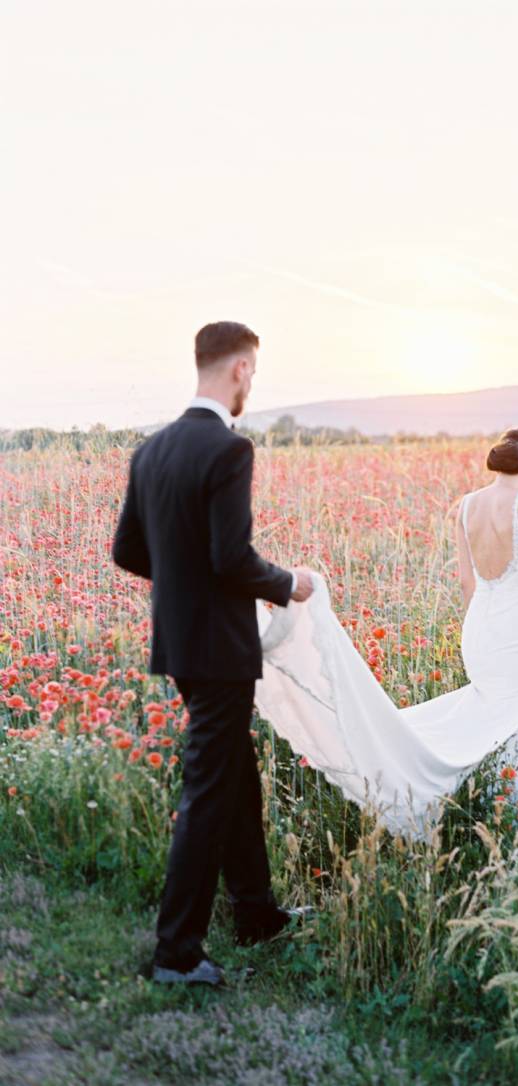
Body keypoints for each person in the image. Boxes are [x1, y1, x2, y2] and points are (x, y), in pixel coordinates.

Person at [112, 320, 314, 987]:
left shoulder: (153, 450)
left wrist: (185, 587)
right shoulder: (230, 451)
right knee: (207, 789)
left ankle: (255, 911)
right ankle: (176, 953)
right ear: (239, 369)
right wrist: (291, 585)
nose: (251, 382)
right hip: (221, 648)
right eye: (253, 370)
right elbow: (232, 558)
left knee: (236, 774)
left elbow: (127, 552)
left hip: (179, 643)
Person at [252, 426, 518, 838]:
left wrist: (483, 631)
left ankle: (494, 808)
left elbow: (468, 585)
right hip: (517, 634)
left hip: (481, 631)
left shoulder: (467, 506)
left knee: (495, 719)